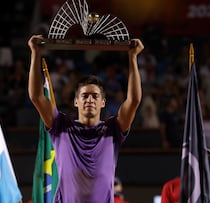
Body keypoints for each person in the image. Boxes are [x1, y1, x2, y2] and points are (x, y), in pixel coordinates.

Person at [27, 34, 144, 202]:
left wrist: (133, 57)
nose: (90, 100)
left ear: (103, 102)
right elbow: (36, 97)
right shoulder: (60, 125)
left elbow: (134, 101)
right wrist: (35, 53)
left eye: (95, 96)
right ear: (76, 101)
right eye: (85, 96)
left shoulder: (113, 129)